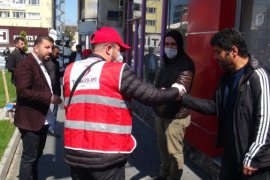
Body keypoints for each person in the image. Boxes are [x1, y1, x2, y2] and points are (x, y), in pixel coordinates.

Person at [63, 26, 185, 180]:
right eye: (119, 50)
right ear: (108, 49)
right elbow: (150, 96)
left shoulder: (70, 70)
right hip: (107, 156)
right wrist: (176, 90)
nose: (120, 55)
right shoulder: (117, 71)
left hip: (75, 153)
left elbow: (71, 106)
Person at [181, 29, 270, 179]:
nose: (215, 57)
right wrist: (183, 98)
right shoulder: (226, 77)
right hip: (230, 156)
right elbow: (214, 106)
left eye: (218, 52)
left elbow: (265, 121)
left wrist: (252, 158)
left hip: (252, 164)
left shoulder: (258, 76)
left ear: (233, 51)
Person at [14, 35, 62, 180]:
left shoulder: (40, 63)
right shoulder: (26, 64)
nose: (50, 50)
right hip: (30, 120)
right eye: (46, 47)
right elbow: (23, 91)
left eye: (51, 47)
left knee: (36, 157)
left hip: (42, 119)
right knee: (29, 158)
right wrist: (49, 97)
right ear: (36, 47)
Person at [153, 30, 195, 180]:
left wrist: (164, 93)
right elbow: (156, 84)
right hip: (160, 113)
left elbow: (179, 90)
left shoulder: (186, 64)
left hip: (176, 117)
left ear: (179, 45)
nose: (169, 47)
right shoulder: (164, 61)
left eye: (173, 44)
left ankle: (173, 177)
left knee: (174, 152)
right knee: (163, 149)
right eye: (166, 44)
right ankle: (163, 174)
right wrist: (159, 94)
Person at [45, 45, 61, 137]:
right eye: (56, 53)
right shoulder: (50, 63)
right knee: (53, 111)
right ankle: (51, 129)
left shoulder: (56, 62)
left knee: (53, 111)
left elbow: (57, 76)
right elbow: (52, 79)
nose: (58, 55)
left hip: (55, 90)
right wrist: (55, 94)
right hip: (53, 92)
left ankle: (50, 128)